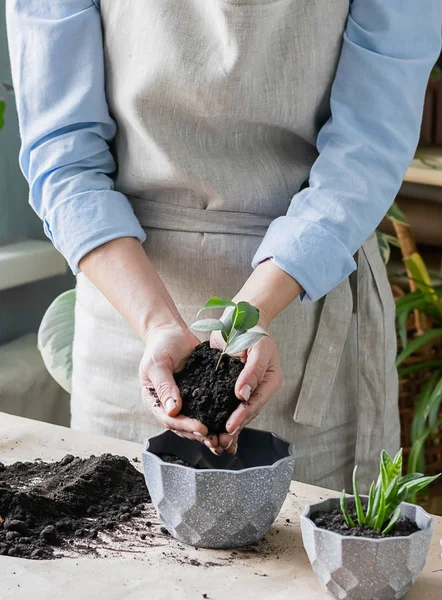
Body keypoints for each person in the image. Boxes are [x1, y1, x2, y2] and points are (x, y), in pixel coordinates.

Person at [7, 1, 441, 492]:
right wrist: (157, 323)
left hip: (308, 308)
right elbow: (64, 156)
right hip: (127, 308)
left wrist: (250, 314)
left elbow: (369, 148)